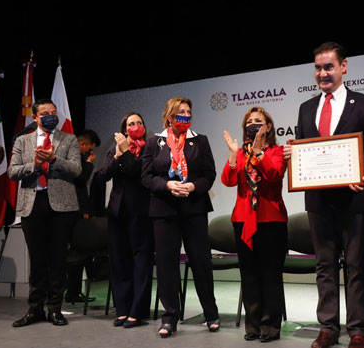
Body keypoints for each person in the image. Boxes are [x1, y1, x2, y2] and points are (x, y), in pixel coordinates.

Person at [283, 42, 364, 348]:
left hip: (354, 200)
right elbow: (305, 150)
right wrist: (293, 154)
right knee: (324, 266)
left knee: (356, 265)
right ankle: (327, 327)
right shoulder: (306, 108)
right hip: (318, 202)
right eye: (317, 68)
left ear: (343, 67)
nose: (322, 73)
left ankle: (357, 330)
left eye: (328, 66)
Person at [141, 97, 219, 338]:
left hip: (194, 208)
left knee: (201, 262)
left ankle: (211, 313)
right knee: (166, 265)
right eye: (180, 112)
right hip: (164, 210)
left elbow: (209, 174)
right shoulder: (155, 142)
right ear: (169, 116)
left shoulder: (200, 140)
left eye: (188, 112)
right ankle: (170, 316)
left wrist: (194, 186)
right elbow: (146, 177)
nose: (185, 116)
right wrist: (167, 185)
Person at [8, 98, 81, 327]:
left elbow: (77, 170)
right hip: (33, 203)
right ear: (35, 118)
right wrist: (36, 165)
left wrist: (55, 159)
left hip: (62, 207)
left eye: (54, 112)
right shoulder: (22, 141)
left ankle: (55, 309)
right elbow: (12, 172)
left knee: (58, 260)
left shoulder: (68, 139)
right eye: (46, 113)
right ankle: (35, 309)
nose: (51, 116)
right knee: (38, 260)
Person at [222, 107, 288, 342]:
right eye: (249, 121)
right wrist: (232, 154)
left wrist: (259, 154)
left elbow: (274, 174)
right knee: (248, 275)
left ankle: (270, 326)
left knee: (270, 275)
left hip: (271, 220)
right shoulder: (241, 153)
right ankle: (253, 326)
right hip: (242, 220)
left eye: (258, 121)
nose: (253, 124)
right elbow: (228, 180)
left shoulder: (278, 152)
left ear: (268, 127)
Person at [101, 112, 154, 328]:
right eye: (131, 123)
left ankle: (137, 311)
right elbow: (102, 175)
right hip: (117, 212)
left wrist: (124, 153)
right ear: (124, 129)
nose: (136, 126)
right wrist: (116, 157)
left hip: (142, 212)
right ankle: (122, 309)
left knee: (141, 262)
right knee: (119, 261)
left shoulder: (150, 148)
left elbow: (140, 173)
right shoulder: (114, 148)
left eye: (139, 122)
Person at [65, 129, 102, 304]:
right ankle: (68, 292)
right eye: (89, 149)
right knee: (75, 254)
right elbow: (80, 181)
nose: (90, 153)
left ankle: (73, 292)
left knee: (79, 254)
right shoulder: (73, 159)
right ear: (83, 144)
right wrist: (88, 163)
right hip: (72, 212)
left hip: (79, 211)